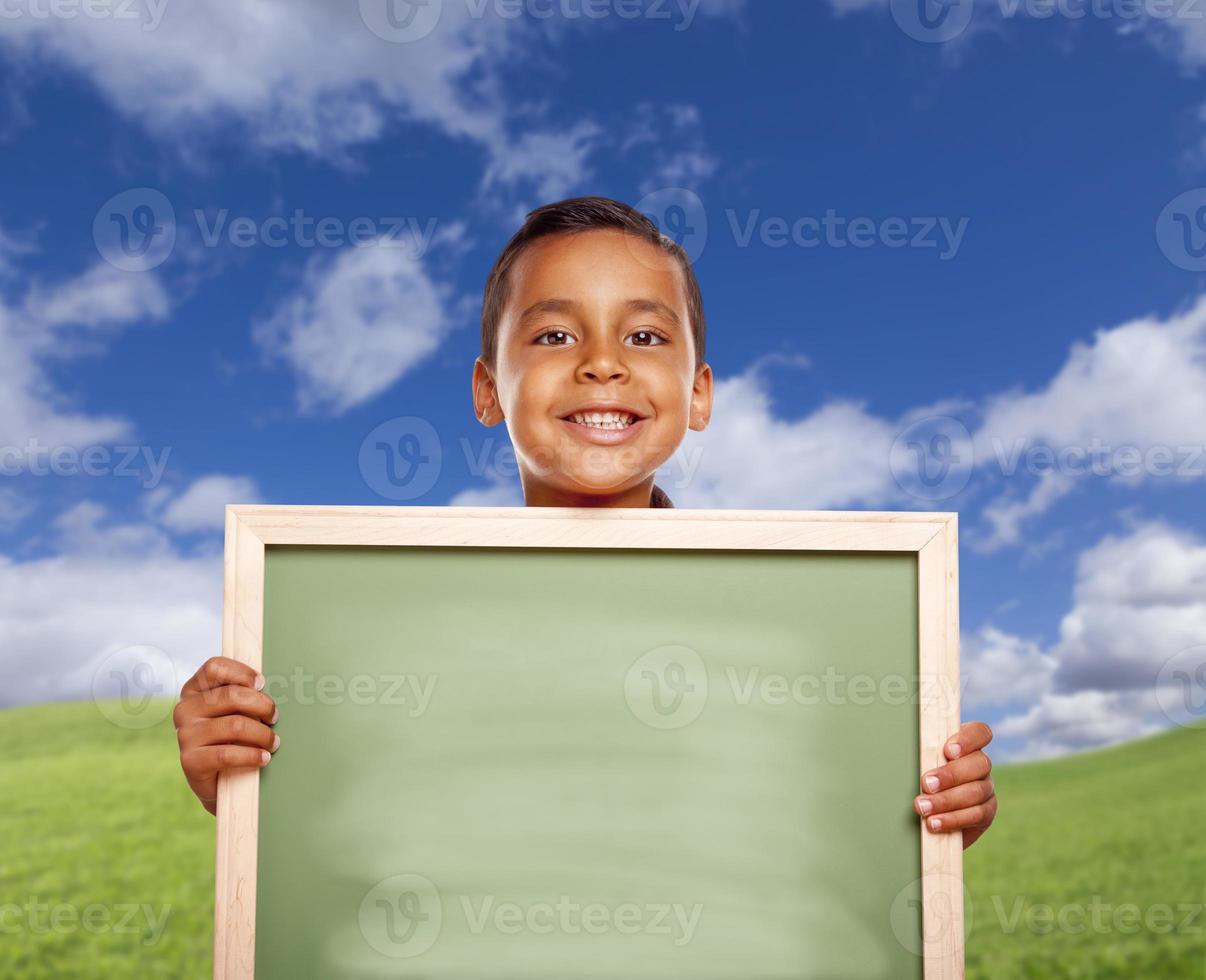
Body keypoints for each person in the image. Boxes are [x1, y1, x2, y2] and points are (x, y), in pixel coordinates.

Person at [174, 196, 997, 848]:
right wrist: (245, 788)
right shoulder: (396, 632)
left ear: (699, 393)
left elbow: (816, 825)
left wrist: (932, 813)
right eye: (555, 333)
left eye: (643, 334)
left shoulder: (799, 630)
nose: (602, 362)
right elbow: (369, 832)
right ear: (488, 390)